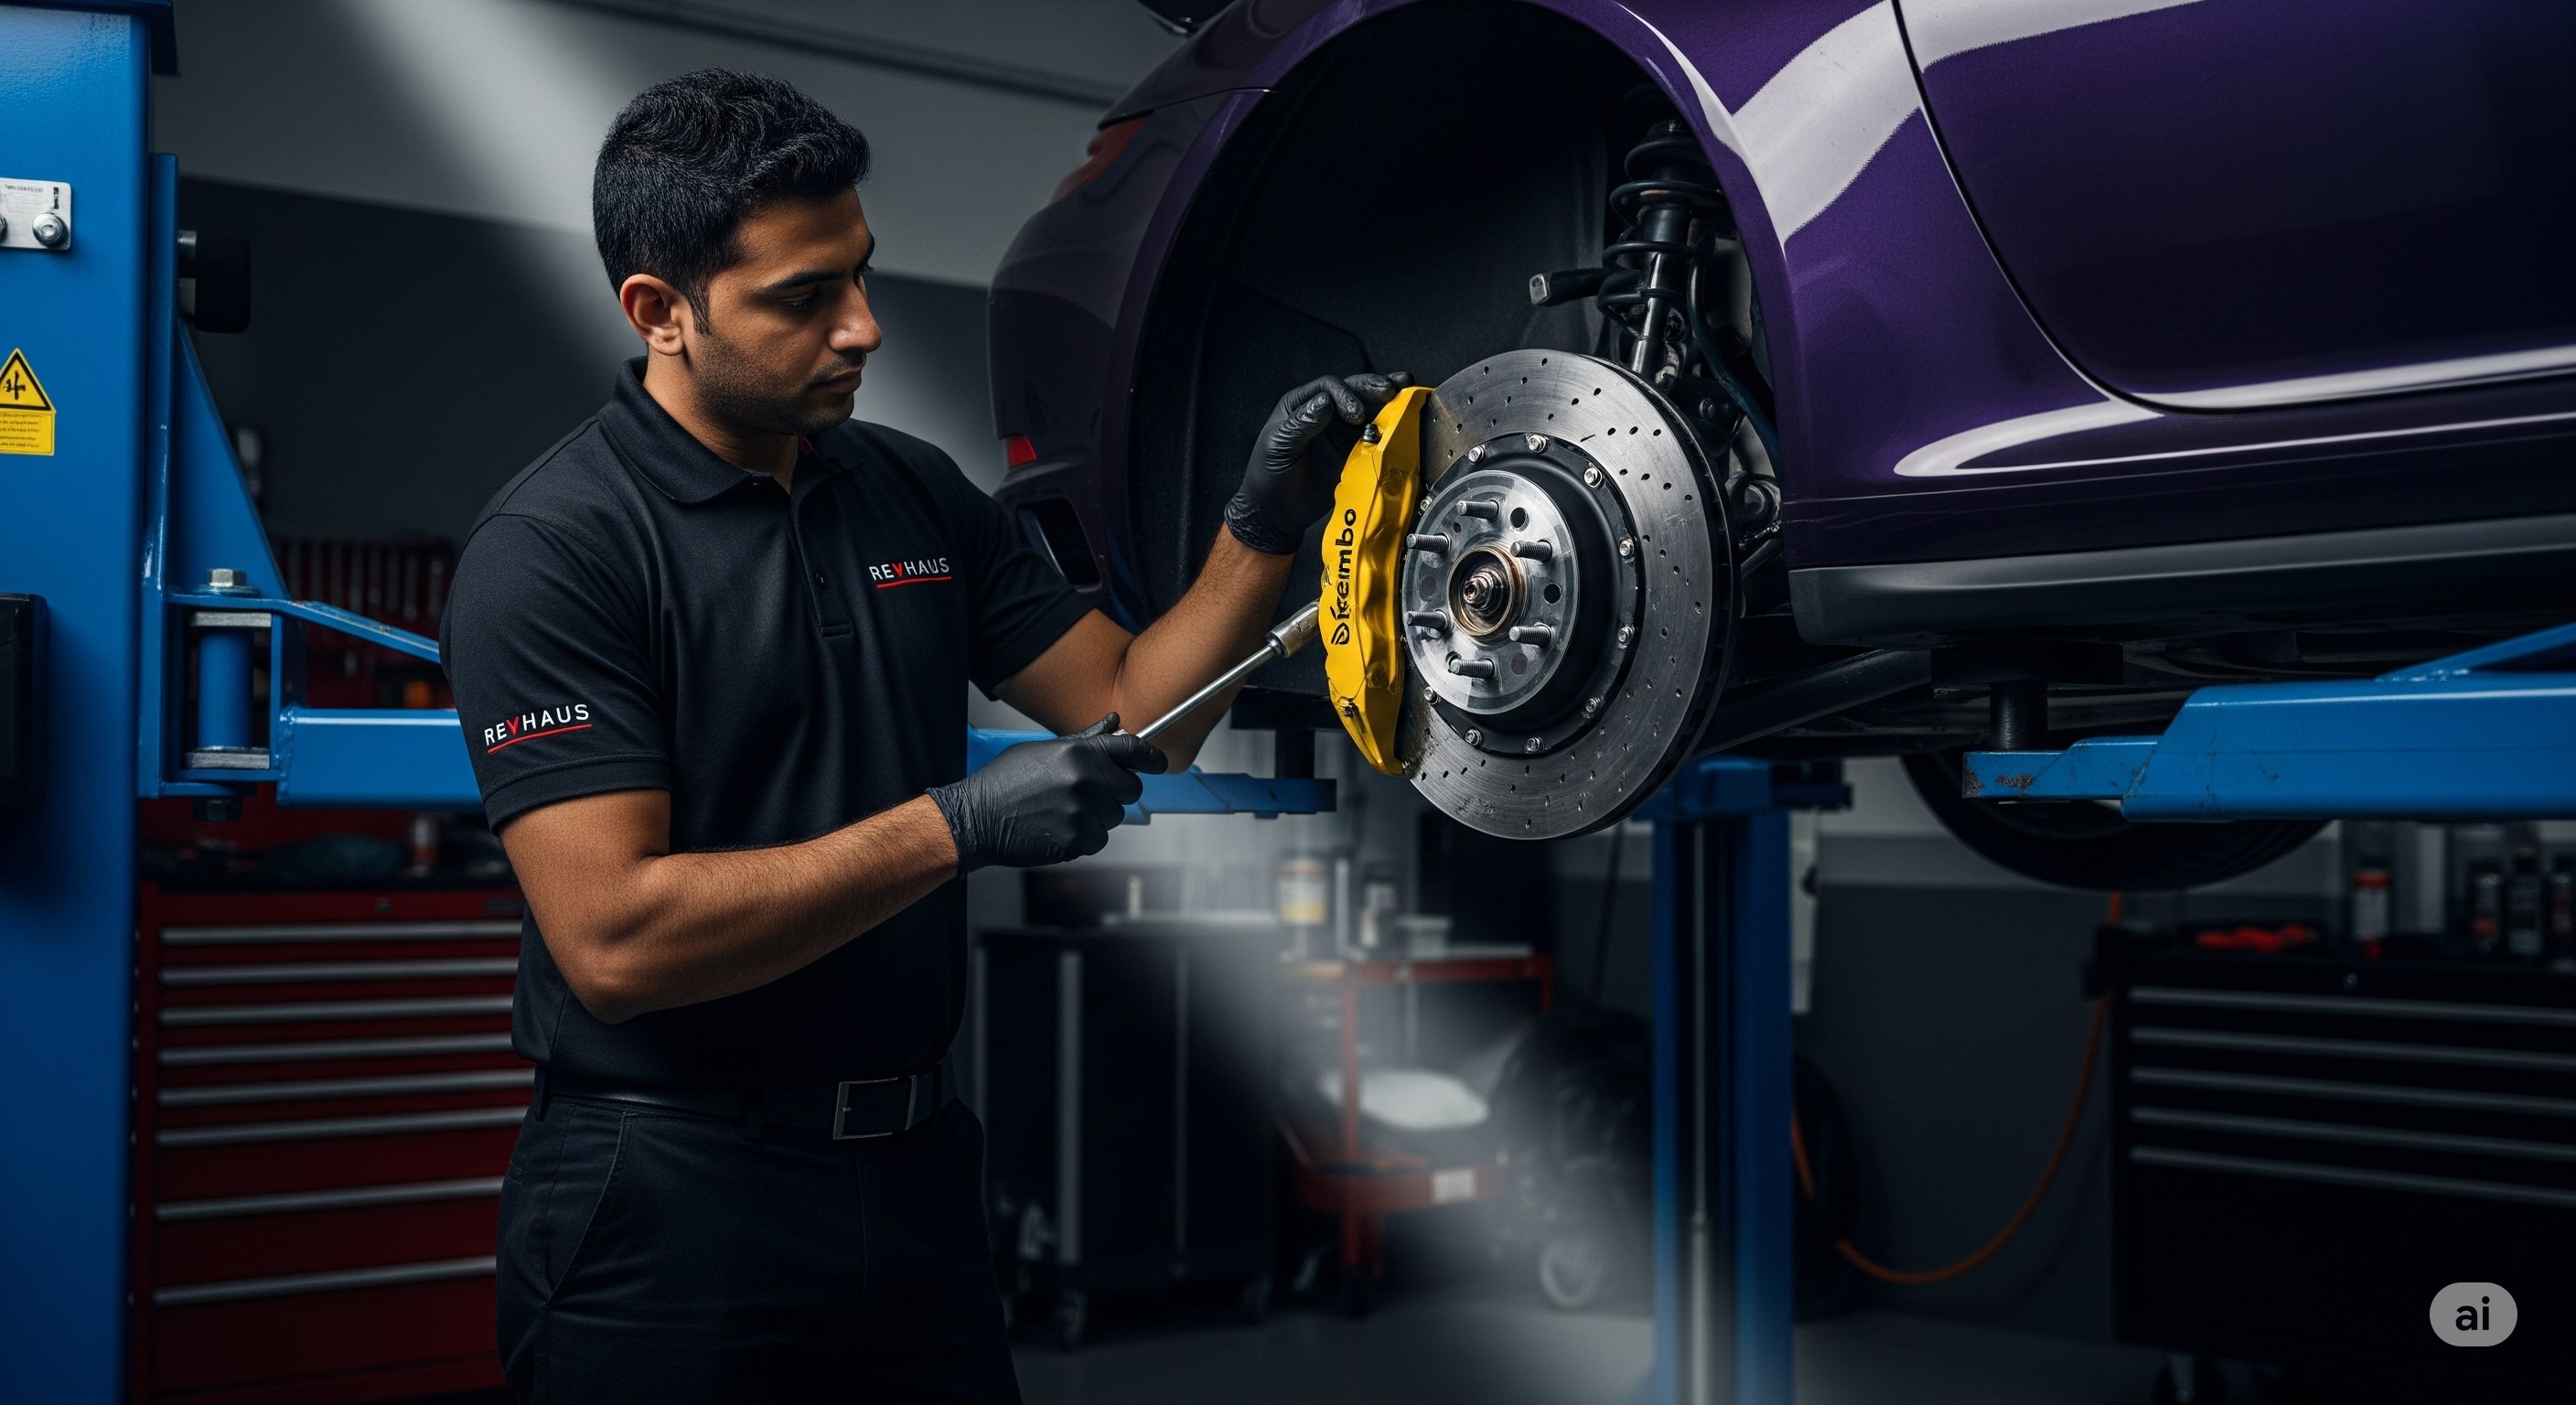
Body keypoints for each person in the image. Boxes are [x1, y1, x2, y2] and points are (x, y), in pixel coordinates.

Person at [439, 69, 1404, 1401]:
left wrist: (1261, 528)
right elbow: (615, 942)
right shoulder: (555, 551)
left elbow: (1136, 713)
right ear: (659, 313)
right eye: (804, 299)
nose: (864, 329)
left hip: (914, 1171)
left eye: (861, 275)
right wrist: (957, 828)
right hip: (666, 1198)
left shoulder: (906, 491)